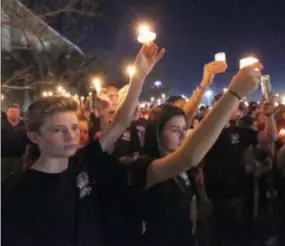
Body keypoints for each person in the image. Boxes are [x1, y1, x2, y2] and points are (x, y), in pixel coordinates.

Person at [2, 42, 165, 246]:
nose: (71, 135)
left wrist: (139, 77)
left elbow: (120, 122)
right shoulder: (19, 190)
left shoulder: (83, 161)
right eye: (58, 130)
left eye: (73, 127)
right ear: (34, 136)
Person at [137, 61, 262, 246]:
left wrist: (204, 84)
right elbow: (187, 157)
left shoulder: (184, 170)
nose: (182, 135)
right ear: (156, 132)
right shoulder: (147, 167)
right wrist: (234, 94)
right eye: (173, 130)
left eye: (183, 129)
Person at [203, 94, 276, 246]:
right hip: (217, 195)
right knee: (216, 235)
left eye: (234, 103)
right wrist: (202, 197)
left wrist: (269, 116)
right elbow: (197, 167)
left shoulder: (238, 131)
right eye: (228, 103)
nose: (233, 107)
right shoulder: (206, 132)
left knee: (237, 234)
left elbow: (268, 137)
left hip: (239, 191)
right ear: (215, 107)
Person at [1, 103, 28, 183]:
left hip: (18, 158)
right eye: (11, 111)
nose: (13, 113)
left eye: (15, 112)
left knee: (17, 179)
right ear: (7, 113)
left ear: (19, 113)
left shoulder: (24, 125)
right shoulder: (2, 123)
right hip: (3, 158)